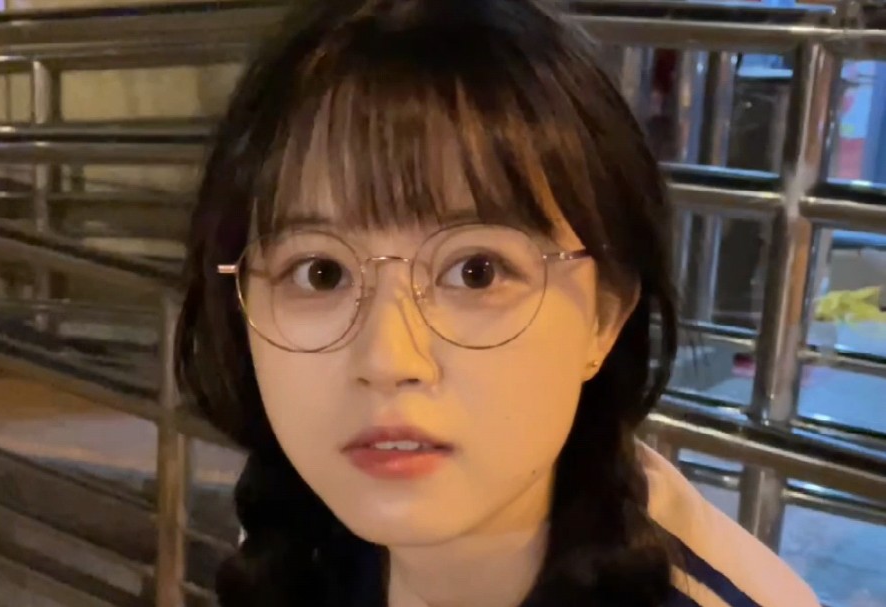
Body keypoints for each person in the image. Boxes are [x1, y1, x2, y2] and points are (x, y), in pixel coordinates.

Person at [175, 1, 822, 606]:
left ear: (605, 314)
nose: (387, 359)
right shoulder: (303, 531)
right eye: (320, 273)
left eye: (476, 272)